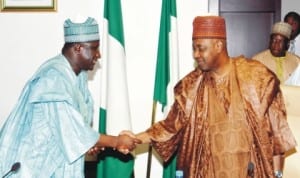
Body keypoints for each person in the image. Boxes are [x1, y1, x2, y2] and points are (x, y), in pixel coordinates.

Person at [132, 16, 297, 178]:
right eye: (194, 48)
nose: (196, 54)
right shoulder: (191, 87)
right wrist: (133, 138)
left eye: (201, 48)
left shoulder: (257, 77)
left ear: (219, 45)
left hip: (251, 170)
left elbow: (277, 137)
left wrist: (277, 174)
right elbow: (168, 128)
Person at [0, 17, 140, 177]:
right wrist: (116, 141)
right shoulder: (54, 78)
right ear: (78, 48)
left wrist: (87, 144)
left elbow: (76, 131)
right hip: (34, 168)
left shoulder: (77, 77)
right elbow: (71, 130)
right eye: (94, 48)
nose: (99, 55)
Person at [252, 21, 300, 85]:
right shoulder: (257, 60)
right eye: (274, 40)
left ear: (287, 44)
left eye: (280, 41)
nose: (276, 44)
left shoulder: (297, 61)